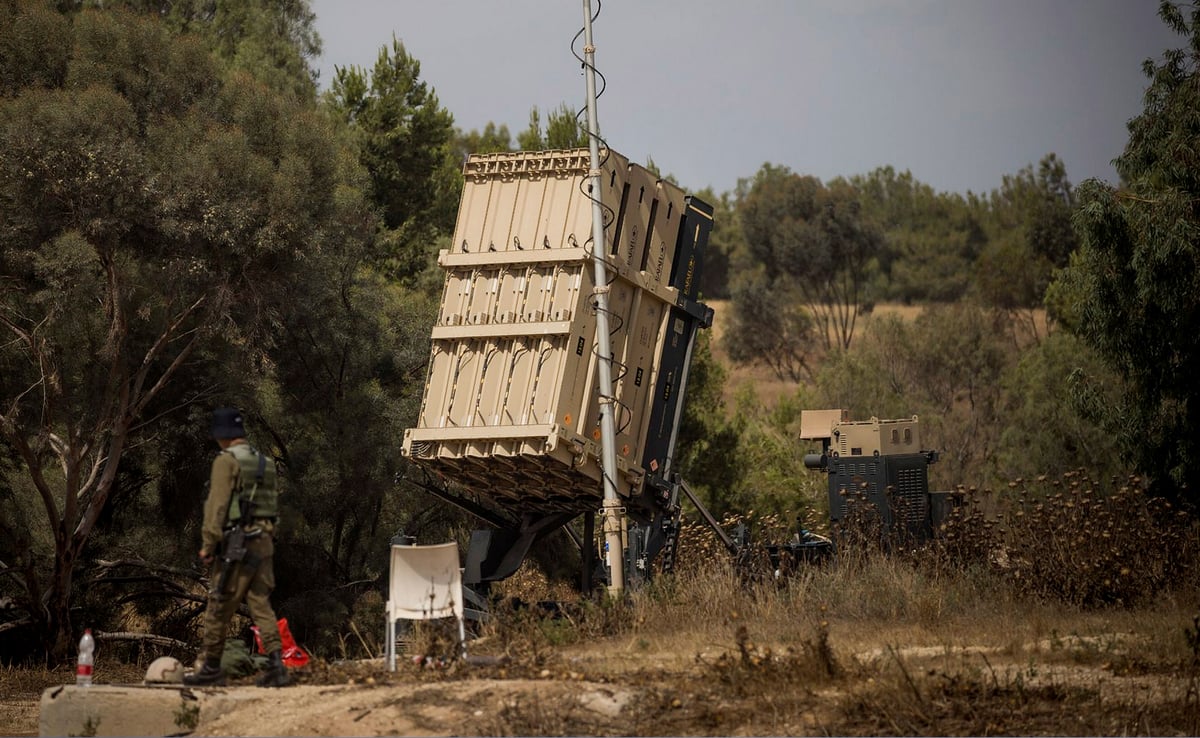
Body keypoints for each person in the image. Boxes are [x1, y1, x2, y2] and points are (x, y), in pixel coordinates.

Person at [183, 408, 292, 688]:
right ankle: (277, 665)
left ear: (222, 436)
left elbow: (217, 505)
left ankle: (210, 667)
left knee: (219, 604)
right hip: (264, 542)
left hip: (237, 544)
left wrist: (208, 544)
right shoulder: (264, 463)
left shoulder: (226, 462)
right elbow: (272, 505)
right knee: (260, 603)